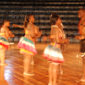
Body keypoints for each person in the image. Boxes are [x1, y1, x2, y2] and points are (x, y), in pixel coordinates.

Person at [43, 13, 65, 85]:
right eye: (59, 19)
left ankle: (50, 82)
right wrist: (64, 41)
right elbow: (58, 40)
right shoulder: (57, 29)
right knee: (54, 67)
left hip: (51, 48)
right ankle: (54, 83)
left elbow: (52, 37)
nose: (60, 20)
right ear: (56, 20)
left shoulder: (52, 27)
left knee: (51, 66)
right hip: (56, 49)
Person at [75, 9, 85, 82]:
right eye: (78, 12)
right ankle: (83, 76)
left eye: (80, 12)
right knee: (83, 60)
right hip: (83, 42)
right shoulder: (81, 21)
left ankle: (84, 77)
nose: (78, 13)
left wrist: (83, 37)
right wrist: (80, 36)